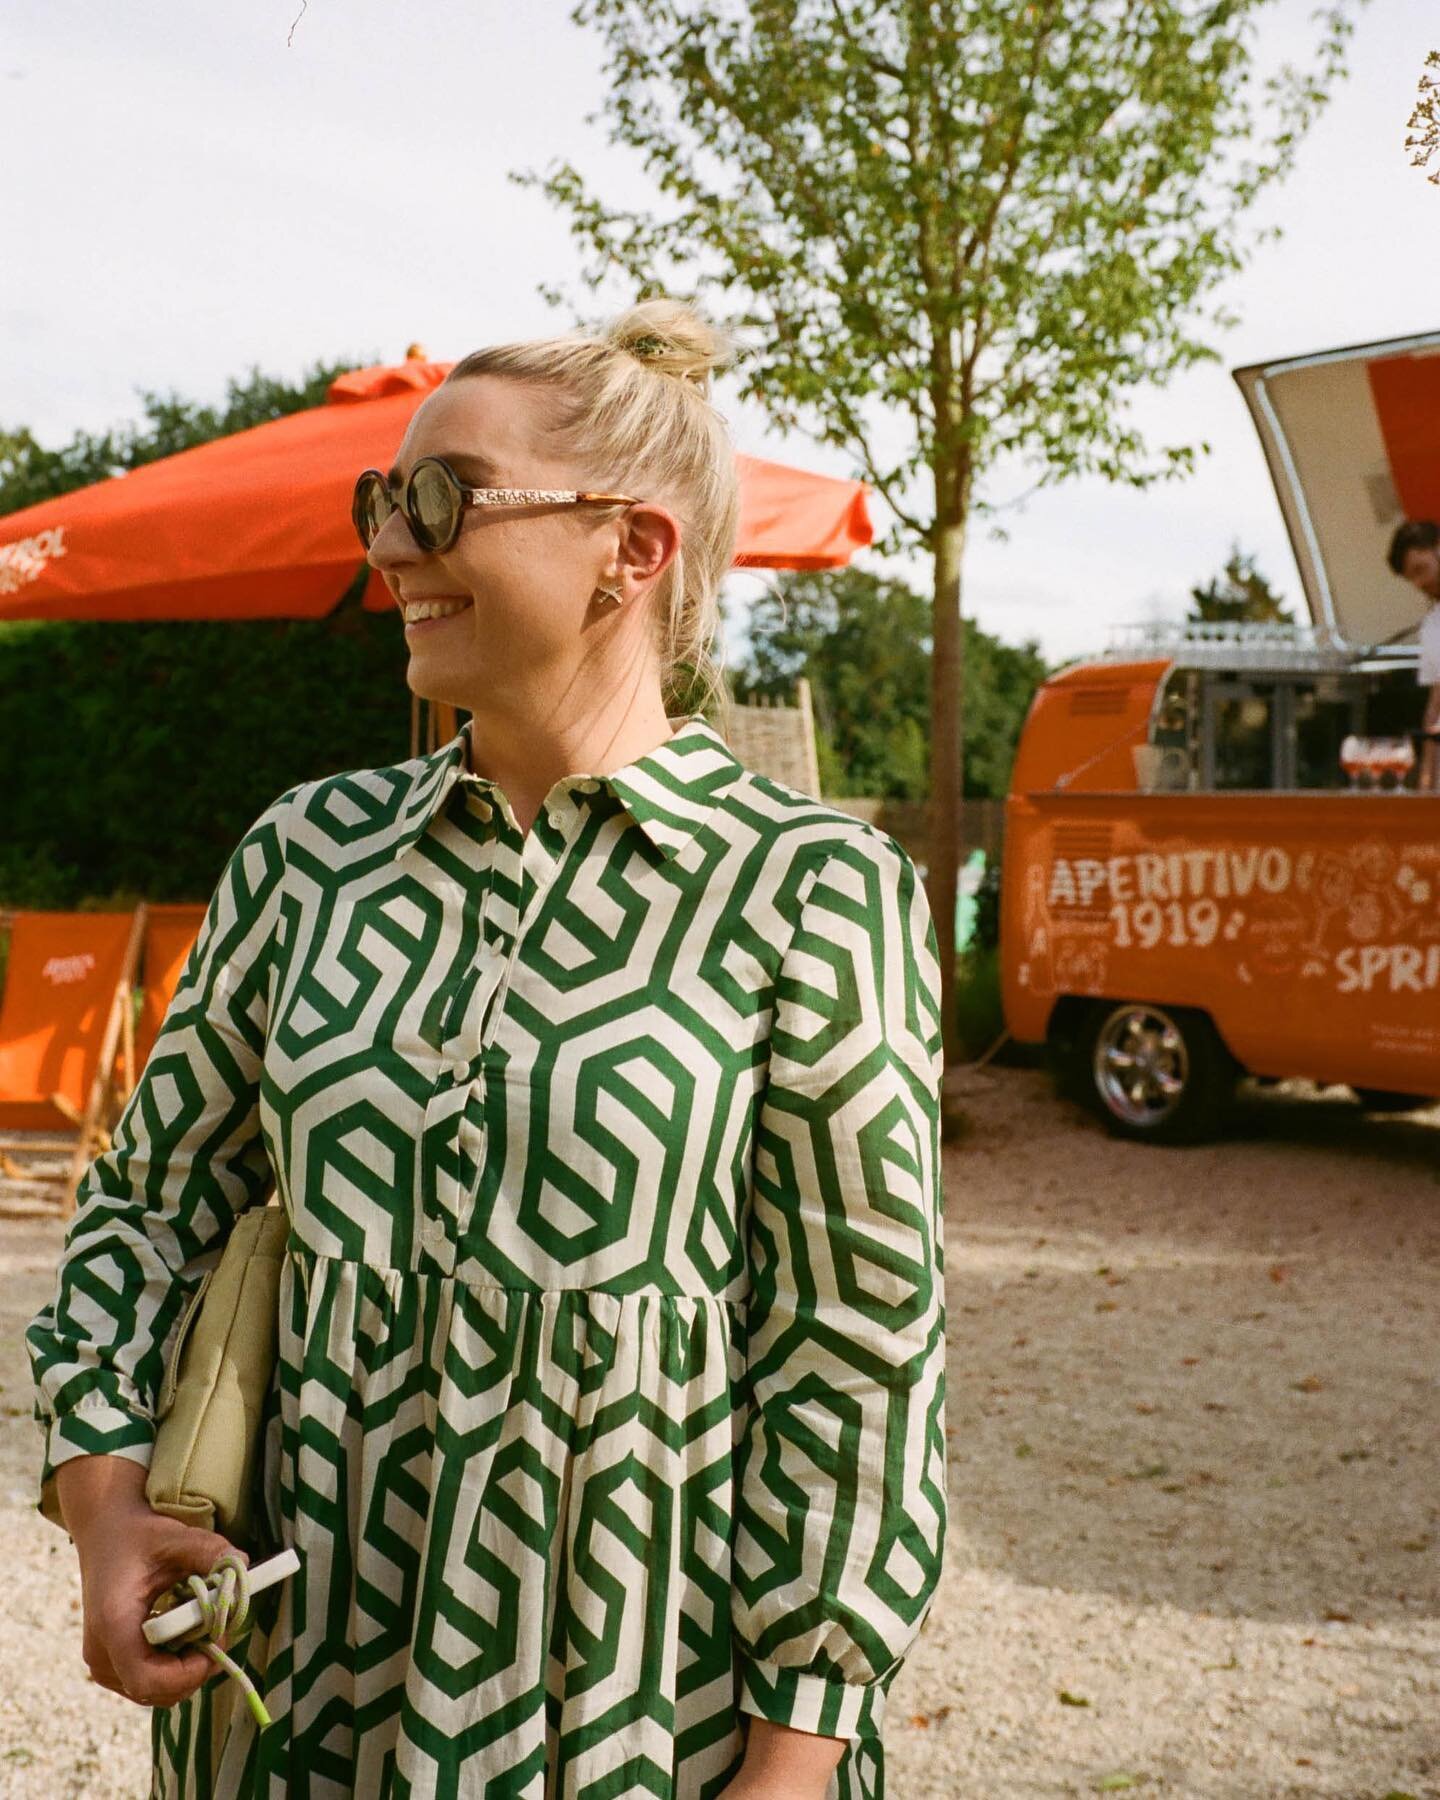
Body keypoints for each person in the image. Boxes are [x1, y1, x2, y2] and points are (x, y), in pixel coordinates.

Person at [26, 299, 947, 1800]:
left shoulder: (810, 889)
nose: (389, 545)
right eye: (379, 500)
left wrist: (792, 1756)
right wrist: (105, 1498)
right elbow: (145, 1206)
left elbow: (858, 1357)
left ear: (629, 550)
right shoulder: (308, 857)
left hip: (637, 1705)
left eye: (439, 499)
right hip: (293, 1693)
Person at [1384, 518, 1440, 792]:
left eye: (1422, 569)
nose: (1421, 582)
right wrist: (1427, 780)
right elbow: (1435, 706)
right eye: (1412, 578)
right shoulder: (1432, 626)